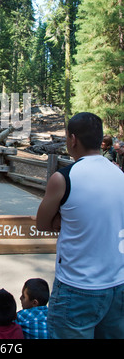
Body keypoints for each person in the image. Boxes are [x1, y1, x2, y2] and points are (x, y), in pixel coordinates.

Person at [36, 112, 124, 339]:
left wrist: (64, 218)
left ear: (73, 139)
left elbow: (43, 224)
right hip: (118, 284)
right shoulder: (119, 174)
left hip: (77, 288)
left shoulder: (64, 178)